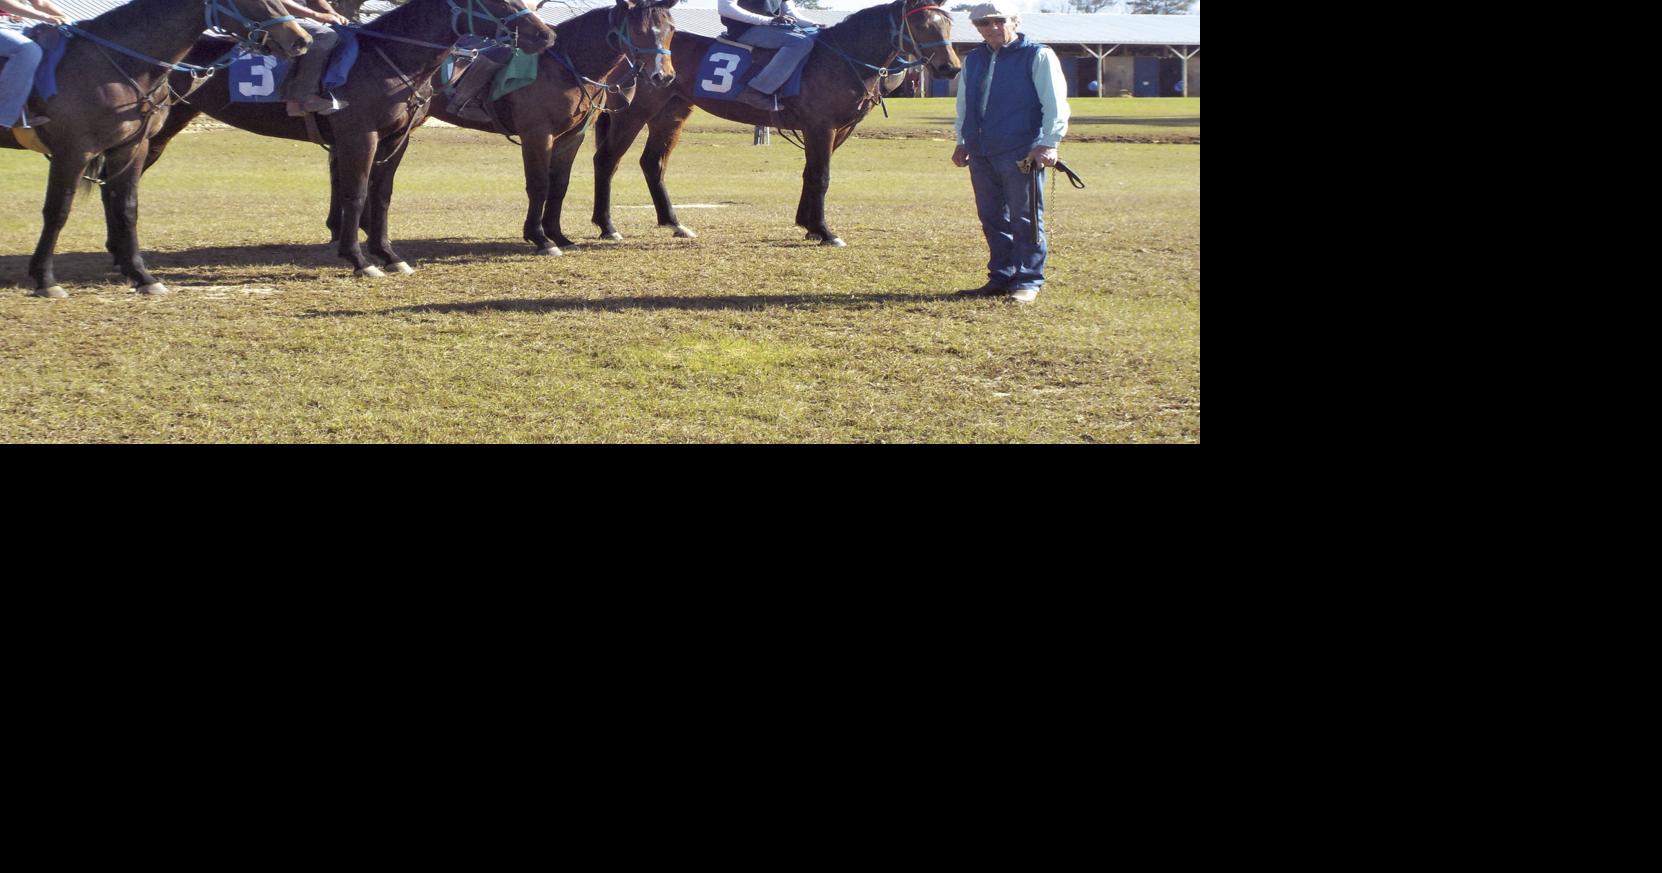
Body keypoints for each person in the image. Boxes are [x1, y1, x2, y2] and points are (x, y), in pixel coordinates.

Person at [950, 1, 1069, 304]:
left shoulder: (1037, 56)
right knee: (991, 217)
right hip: (981, 151)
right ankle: (1002, 276)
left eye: (998, 21)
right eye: (983, 24)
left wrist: (1049, 142)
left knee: (1025, 218)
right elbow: (964, 103)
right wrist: (962, 140)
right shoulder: (974, 59)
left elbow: (1054, 103)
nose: (991, 28)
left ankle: (1028, 280)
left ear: (1015, 21)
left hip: (1022, 151)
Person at [717, 0, 818, 112]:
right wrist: (768, 20)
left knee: (815, 37)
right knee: (799, 42)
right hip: (745, 29)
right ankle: (755, 91)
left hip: (772, 27)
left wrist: (813, 24)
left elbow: (790, 13)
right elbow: (725, 8)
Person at [0, 0, 68, 130]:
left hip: (15, 25)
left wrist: (65, 18)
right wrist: (46, 17)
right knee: (28, 50)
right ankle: (3, 116)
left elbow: (40, 3)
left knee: (55, 43)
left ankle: (29, 105)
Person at [279, 0, 351, 116]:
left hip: (299, 19)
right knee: (325, 35)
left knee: (347, 33)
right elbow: (272, 3)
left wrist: (333, 14)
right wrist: (317, 15)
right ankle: (306, 97)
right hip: (268, 20)